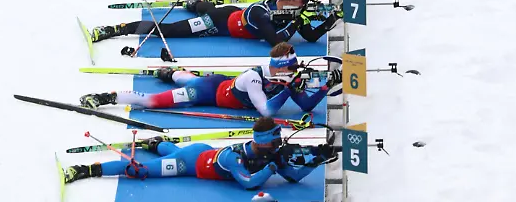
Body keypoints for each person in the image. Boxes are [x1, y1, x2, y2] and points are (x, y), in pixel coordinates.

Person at [62, 116, 337, 188]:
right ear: (263, 141)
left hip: (202, 152)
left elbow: (293, 177)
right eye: (275, 139)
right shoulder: (235, 158)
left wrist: (317, 159)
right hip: (190, 163)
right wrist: (271, 169)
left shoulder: (268, 151)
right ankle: (86, 170)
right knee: (140, 171)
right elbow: (247, 183)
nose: (280, 143)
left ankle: (156, 143)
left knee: (170, 152)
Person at [80, 41, 341, 114]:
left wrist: (325, 86)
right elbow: (267, 112)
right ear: (280, 67)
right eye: (291, 68)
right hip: (207, 91)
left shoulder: (286, 77)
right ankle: (105, 96)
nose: (294, 72)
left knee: (186, 79)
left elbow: (306, 105)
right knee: (154, 101)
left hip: (219, 83)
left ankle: (170, 73)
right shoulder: (254, 77)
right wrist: (289, 89)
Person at [87, 0, 341, 46]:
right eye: (302, 0)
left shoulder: (289, 11)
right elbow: (275, 41)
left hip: (230, 12)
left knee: (208, 7)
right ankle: (117, 29)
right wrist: (297, 21)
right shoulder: (262, 13)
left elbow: (309, 36)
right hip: (218, 23)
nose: (305, 3)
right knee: (172, 31)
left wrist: (331, 19)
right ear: (290, 1)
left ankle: (197, 3)